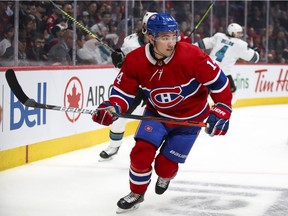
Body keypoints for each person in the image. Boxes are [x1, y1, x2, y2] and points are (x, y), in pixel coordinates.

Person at [92, 13, 232, 213]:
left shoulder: (192, 55)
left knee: (165, 166)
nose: (171, 42)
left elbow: (219, 84)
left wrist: (223, 108)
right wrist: (113, 107)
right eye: (165, 37)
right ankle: (137, 193)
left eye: (174, 36)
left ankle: (166, 175)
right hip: (157, 114)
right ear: (150, 37)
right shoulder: (135, 60)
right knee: (140, 155)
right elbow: (123, 92)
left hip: (190, 121)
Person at [98, 12, 157, 160]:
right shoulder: (130, 42)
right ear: (144, 27)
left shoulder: (163, 43)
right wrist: (119, 61)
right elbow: (123, 64)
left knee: (159, 120)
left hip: (157, 86)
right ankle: (114, 146)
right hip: (135, 87)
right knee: (119, 118)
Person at [194, 23, 259, 93]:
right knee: (231, 90)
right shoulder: (240, 44)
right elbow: (255, 58)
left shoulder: (219, 36)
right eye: (239, 33)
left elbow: (201, 44)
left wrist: (189, 46)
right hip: (223, 73)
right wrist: (255, 52)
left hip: (208, 67)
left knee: (204, 91)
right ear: (232, 33)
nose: (241, 35)